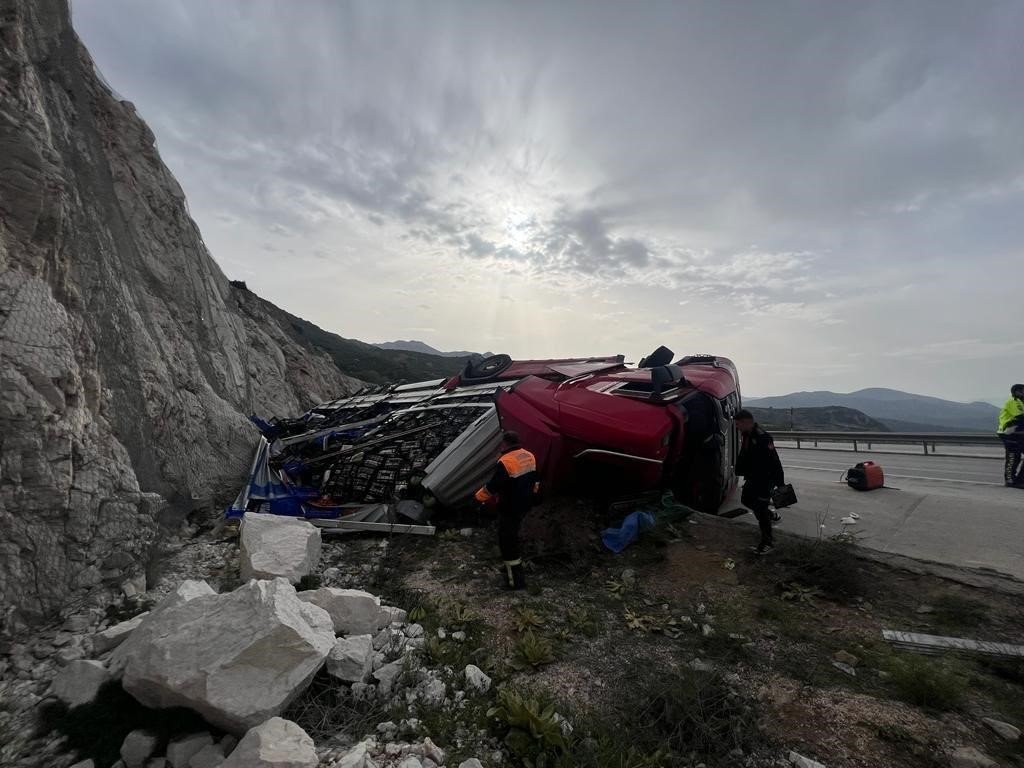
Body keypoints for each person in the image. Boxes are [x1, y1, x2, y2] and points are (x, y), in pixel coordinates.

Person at [475, 431, 539, 589]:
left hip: (510, 507)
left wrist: (477, 498)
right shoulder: (529, 455)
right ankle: (511, 568)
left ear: (504, 443)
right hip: (524, 504)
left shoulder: (505, 461)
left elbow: (493, 486)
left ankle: (515, 582)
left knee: (507, 542)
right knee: (513, 535)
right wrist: (531, 496)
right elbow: (535, 480)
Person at [734, 409, 785, 555]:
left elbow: (775, 461)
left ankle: (767, 542)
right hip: (753, 478)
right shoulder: (747, 434)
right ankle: (772, 516)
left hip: (765, 480)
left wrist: (780, 483)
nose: (737, 427)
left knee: (760, 509)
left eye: (738, 424)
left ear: (746, 422)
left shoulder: (763, 437)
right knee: (746, 500)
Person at [997, 384, 1024, 488]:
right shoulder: (1014, 401)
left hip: (1019, 433)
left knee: (1015, 456)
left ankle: (1020, 480)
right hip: (1009, 432)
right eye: (1023, 390)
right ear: (1017, 392)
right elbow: (1020, 417)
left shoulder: (1022, 402)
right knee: (1013, 457)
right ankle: (1010, 480)